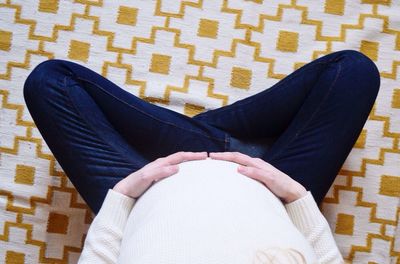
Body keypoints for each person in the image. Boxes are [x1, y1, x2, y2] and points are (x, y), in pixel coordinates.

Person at [23, 49, 380, 263]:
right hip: (272, 188)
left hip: (147, 189)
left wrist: (121, 198)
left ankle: (217, 140)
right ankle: (227, 141)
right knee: (353, 72)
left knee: (50, 82)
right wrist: (298, 197)